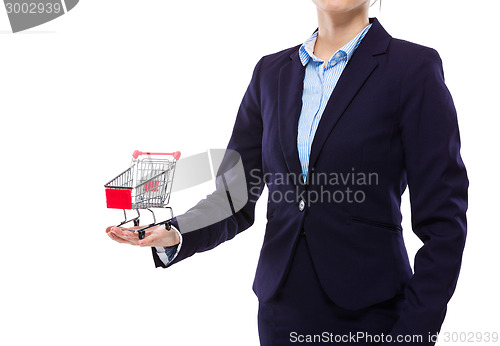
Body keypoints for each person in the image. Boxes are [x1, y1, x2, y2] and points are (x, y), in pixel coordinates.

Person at [106, 1, 468, 344]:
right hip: (281, 312)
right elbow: (235, 194)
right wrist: (174, 232)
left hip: (372, 314)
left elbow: (445, 222)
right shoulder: (270, 72)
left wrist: (413, 334)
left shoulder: (412, 67)